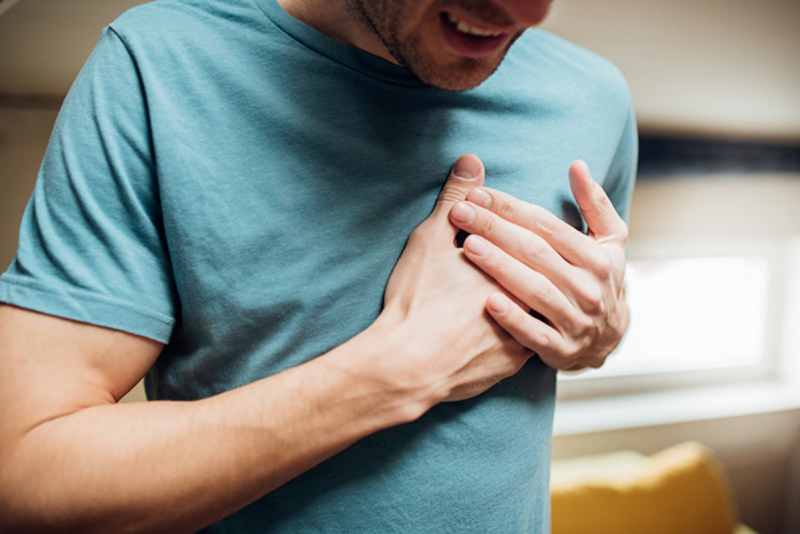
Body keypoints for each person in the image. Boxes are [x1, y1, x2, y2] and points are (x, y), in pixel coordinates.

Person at [0, 0, 636, 531]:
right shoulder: (157, 64)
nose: (529, 10)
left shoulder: (596, 99)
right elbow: (26, 478)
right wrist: (398, 368)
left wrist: (593, 335)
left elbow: (578, 327)